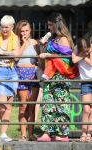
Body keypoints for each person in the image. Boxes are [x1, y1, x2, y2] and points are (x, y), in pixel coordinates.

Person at [37, 13, 79, 142]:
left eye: (50, 25)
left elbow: (67, 59)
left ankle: (62, 133)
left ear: (57, 24)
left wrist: (49, 55)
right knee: (48, 103)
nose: (49, 28)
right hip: (50, 75)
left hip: (60, 75)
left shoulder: (64, 39)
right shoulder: (52, 39)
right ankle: (47, 132)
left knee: (61, 103)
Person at [14, 20, 40, 141]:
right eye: (22, 31)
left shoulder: (34, 42)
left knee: (31, 106)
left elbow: (39, 59)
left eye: (27, 30)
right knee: (23, 106)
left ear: (30, 30)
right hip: (21, 74)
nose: (24, 33)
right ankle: (23, 134)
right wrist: (24, 43)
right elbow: (16, 57)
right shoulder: (16, 42)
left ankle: (31, 134)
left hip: (33, 74)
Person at [72, 38, 92, 142]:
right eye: (84, 51)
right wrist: (83, 55)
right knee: (86, 109)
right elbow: (74, 60)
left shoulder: (91, 47)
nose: (87, 52)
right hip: (85, 81)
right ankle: (83, 133)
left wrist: (83, 56)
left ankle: (89, 133)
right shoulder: (76, 48)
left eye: (87, 51)